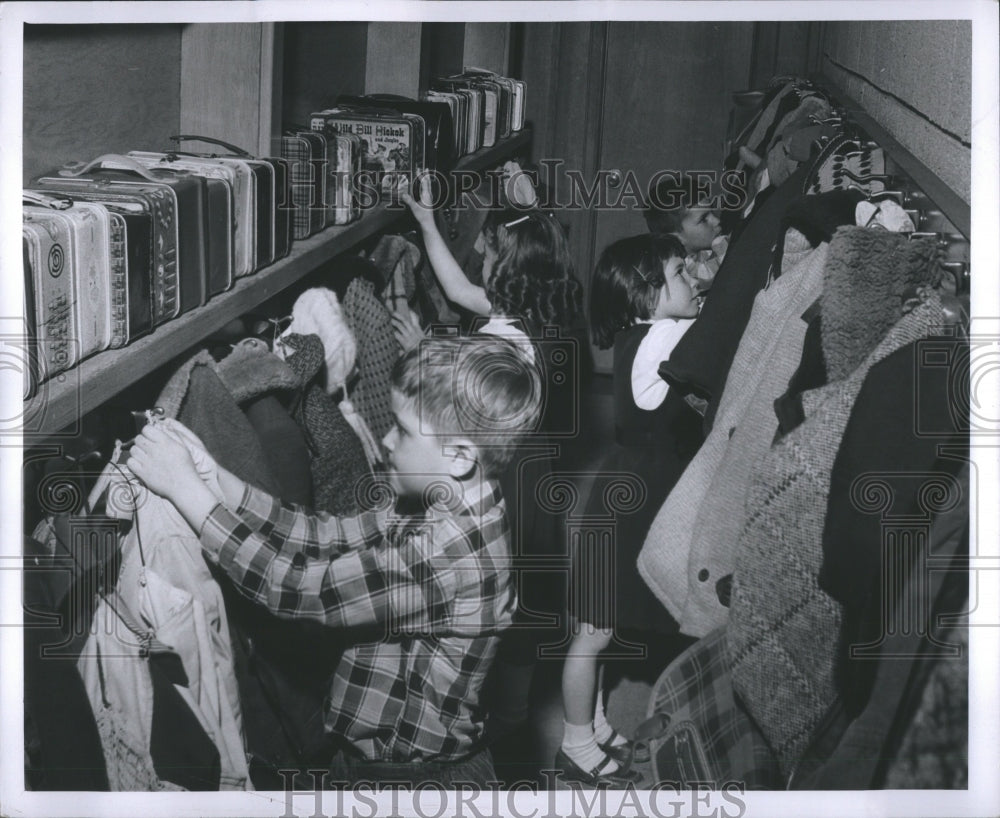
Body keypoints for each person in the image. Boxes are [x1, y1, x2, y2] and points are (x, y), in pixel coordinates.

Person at [127, 334, 543, 787]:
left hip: (411, 781)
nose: (384, 439)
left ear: (460, 455)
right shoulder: (446, 501)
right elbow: (326, 533)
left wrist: (186, 491)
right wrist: (219, 481)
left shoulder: (448, 554)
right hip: (382, 762)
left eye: (402, 429)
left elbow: (294, 586)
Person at [397, 174, 585, 767]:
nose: (479, 249)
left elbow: (460, 399)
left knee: (503, 597)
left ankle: (502, 724)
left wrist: (421, 342)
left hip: (508, 477)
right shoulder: (543, 306)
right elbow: (457, 289)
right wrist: (428, 222)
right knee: (530, 593)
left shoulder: (503, 339)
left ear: (510, 260)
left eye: (489, 244)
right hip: (538, 470)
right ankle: (512, 712)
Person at [557, 232, 704, 785]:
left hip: (624, 494)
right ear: (647, 296)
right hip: (628, 507)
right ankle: (573, 742)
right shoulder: (669, 332)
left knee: (604, 625)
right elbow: (718, 332)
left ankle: (593, 726)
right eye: (680, 272)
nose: (692, 279)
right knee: (593, 632)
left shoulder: (643, 332)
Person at [643, 173, 728, 295]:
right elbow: (711, 276)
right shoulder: (680, 267)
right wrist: (724, 248)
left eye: (712, 212)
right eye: (704, 219)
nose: (717, 221)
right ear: (677, 238)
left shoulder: (703, 252)